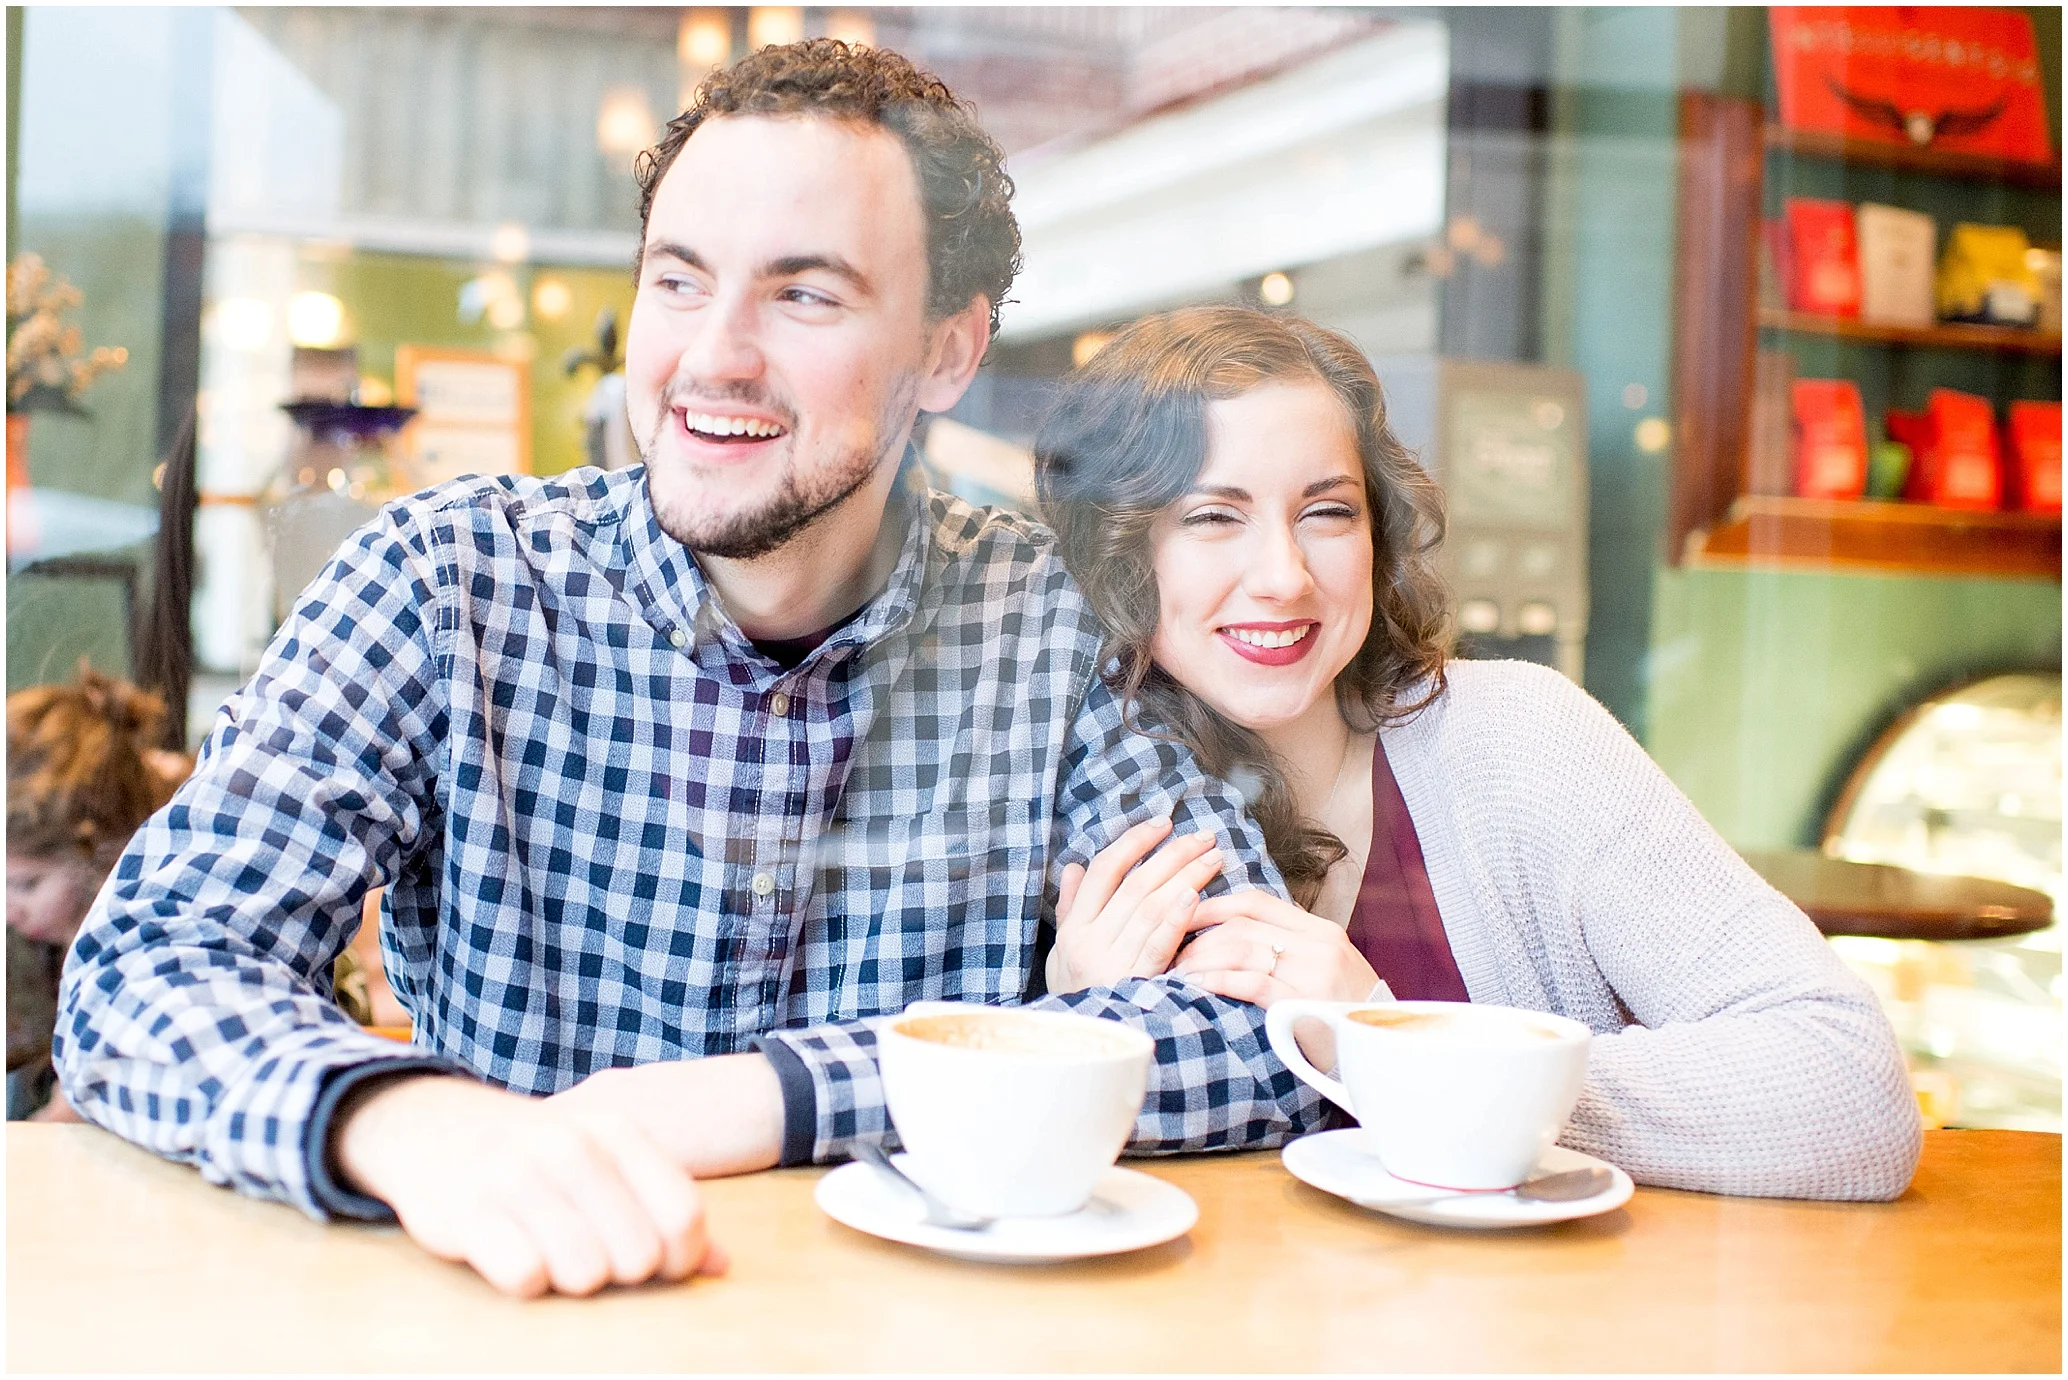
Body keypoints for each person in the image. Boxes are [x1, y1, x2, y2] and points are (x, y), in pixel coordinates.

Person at [56, 42, 1327, 1300]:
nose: (710, 356)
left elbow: (1254, 1036)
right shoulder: (451, 580)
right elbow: (150, 965)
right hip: (523, 1317)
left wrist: (762, 1099)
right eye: (678, 282)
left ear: (947, 352)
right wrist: (400, 1119)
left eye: (804, 295)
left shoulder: (1058, 623)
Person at [1034, 306, 1922, 1201]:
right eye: (1214, 515)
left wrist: (1395, 1047)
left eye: (1328, 512)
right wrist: (1076, 1025)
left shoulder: (1514, 743)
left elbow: (1850, 1087)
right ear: (1119, 550)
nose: (1284, 576)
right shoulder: (1062, 791)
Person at [7, 666, 190, 1120]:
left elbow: (66, 1114)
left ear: (107, 853)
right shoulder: (45, 927)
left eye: (27, 884)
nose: (8, 907)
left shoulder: (141, 949)